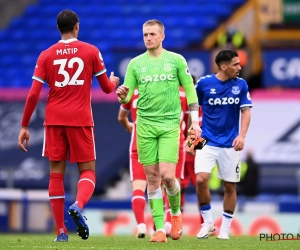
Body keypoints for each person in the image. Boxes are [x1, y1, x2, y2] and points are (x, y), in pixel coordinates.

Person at [17, 9, 119, 242]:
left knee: (56, 175)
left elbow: (33, 94)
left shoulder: (46, 55)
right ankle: (78, 205)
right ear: (77, 26)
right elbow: (105, 88)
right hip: (80, 119)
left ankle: (61, 231)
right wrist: (113, 82)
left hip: (53, 119)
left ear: (58, 29)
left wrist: (24, 125)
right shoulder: (91, 51)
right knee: (88, 171)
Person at [116, 19, 201, 243]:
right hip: (144, 126)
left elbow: (191, 91)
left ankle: (175, 214)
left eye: (152, 34)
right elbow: (127, 96)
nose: (148, 38)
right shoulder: (135, 64)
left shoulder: (175, 60)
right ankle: (159, 230)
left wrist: (194, 122)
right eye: (145, 35)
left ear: (162, 36)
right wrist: (121, 92)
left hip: (169, 125)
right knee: (152, 180)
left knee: (167, 177)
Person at [186, 49, 252, 240]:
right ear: (224, 67)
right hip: (206, 140)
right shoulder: (204, 83)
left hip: (230, 143)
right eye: (235, 64)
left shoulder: (241, 85)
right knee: (200, 180)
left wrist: (242, 136)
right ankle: (207, 223)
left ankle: (225, 229)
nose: (239, 67)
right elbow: (194, 109)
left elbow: (246, 111)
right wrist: (192, 139)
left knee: (230, 186)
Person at [117, 85, 189, 238]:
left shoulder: (136, 89)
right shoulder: (180, 92)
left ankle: (144, 225)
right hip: (171, 138)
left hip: (144, 139)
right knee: (164, 182)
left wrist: (130, 125)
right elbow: (187, 123)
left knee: (143, 185)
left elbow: (121, 116)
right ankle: (163, 227)